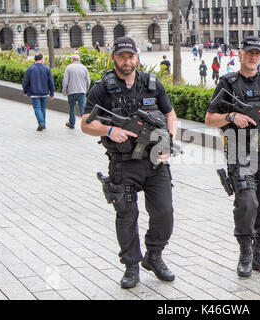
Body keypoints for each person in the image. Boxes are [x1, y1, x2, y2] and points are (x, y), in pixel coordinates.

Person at [81, 36, 178, 289]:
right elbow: (85, 124)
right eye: (122, 56)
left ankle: (154, 256)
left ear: (137, 57)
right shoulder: (102, 87)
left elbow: (170, 115)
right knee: (126, 215)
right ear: (114, 57)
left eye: (130, 56)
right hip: (123, 162)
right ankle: (132, 266)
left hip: (155, 162)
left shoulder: (152, 84)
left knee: (165, 212)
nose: (127, 60)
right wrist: (109, 131)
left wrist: (167, 145)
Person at [205, 36, 260, 278]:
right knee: (247, 202)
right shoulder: (227, 83)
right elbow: (210, 118)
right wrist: (232, 117)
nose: (253, 57)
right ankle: (245, 252)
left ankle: (259, 252)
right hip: (239, 150)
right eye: (249, 53)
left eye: (257, 53)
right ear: (240, 54)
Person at [22, 54, 55, 131]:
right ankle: (43, 123)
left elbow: (25, 81)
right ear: (42, 59)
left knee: (37, 108)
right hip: (44, 92)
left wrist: (25, 91)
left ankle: (41, 123)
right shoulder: (47, 69)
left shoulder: (30, 69)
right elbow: (51, 82)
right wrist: (52, 93)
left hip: (34, 92)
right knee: (43, 108)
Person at [62, 54, 90, 129]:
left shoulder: (69, 68)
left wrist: (64, 91)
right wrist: (86, 89)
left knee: (71, 107)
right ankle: (85, 124)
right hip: (82, 91)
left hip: (71, 91)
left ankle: (72, 123)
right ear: (79, 60)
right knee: (82, 108)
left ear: (72, 60)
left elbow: (65, 81)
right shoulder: (84, 68)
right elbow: (88, 80)